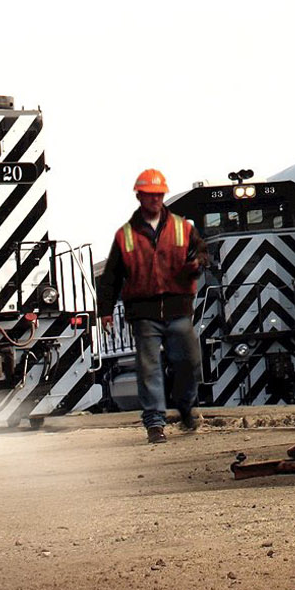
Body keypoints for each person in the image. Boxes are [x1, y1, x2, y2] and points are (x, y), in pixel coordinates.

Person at [93, 168, 203, 443]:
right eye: (150, 195)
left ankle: (186, 406)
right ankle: (155, 423)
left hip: (178, 309)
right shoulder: (125, 236)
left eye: (159, 194)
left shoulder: (183, 228)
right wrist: (106, 310)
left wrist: (198, 262)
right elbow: (111, 277)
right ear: (140, 196)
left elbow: (202, 251)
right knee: (149, 367)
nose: (155, 199)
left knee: (189, 362)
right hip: (143, 312)